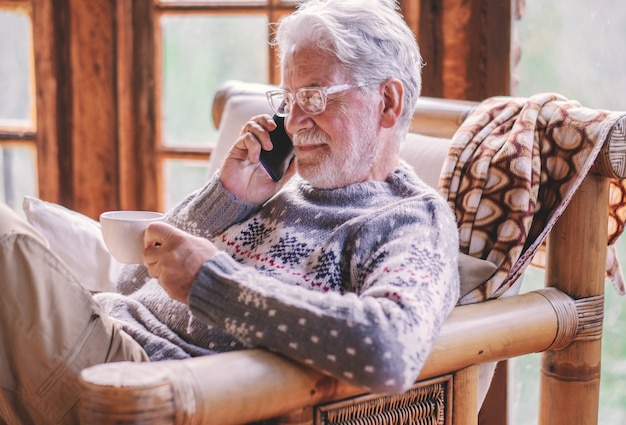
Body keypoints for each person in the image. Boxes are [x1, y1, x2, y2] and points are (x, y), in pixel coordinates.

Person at [0, 0, 460, 423]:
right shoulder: (280, 187)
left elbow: (390, 350)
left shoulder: (411, 220)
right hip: (101, 342)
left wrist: (210, 282)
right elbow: (128, 283)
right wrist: (227, 197)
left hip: (144, 387)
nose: (294, 123)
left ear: (387, 102)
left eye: (315, 97)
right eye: (289, 99)